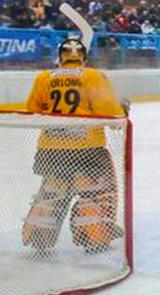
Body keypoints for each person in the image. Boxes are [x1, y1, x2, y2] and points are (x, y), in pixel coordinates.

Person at [21, 37, 129, 253]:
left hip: (50, 149)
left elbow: (32, 111)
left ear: (60, 57)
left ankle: (38, 235)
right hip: (87, 149)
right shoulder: (92, 76)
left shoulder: (44, 78)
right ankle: (94, 235)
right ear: (84, 58)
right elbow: (109, 112)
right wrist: (122, 111)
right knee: (93, 191)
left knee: (53, 191)